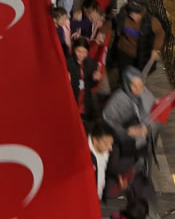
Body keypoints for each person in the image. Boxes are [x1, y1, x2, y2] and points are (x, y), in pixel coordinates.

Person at [104, 68, 160, 214]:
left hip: (142, 146)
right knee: (113, 186)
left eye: (141, 85)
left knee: (139, 176)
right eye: (135, 85)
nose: (139, 89)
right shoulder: (118, 101)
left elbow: (156, 116)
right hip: (124, 148)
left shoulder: (147, 96)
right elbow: (107, 124)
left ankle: (137, 202)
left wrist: (148, 128)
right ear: (127, 85)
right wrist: (127, 133)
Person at [68, 38, 103, 123]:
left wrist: (95, 79)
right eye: (78, 51)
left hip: (85, 100)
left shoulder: (92, 63)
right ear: (74, 50)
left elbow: (91, 85)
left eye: (84, 52)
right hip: (71, 99)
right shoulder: (68, 63)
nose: (81, 55)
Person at [85, 120, 115, 202]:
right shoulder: (84, 156)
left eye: (111, 144)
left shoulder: (108, 152)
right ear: (95, 140)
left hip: (100, 199)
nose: (110, 148)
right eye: (106, 144)